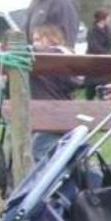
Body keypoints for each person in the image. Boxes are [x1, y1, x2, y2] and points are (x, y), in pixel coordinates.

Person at [30, 25, 82, 158]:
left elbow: (35, 52)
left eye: (37, 39)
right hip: (68, 114)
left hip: (48, 115)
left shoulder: (49, 55)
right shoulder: (70, 56)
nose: (34, 43)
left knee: (38, 150)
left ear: (51, 39)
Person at [84, 8, 111, 100]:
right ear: (103, 18)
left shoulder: (106, 29)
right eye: (108, 17)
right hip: (93, 64)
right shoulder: (92, 31)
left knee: (104, 89)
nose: (109, 19)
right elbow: (94, 46)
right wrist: (107, 54)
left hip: (105, 65)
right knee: (90, 91)